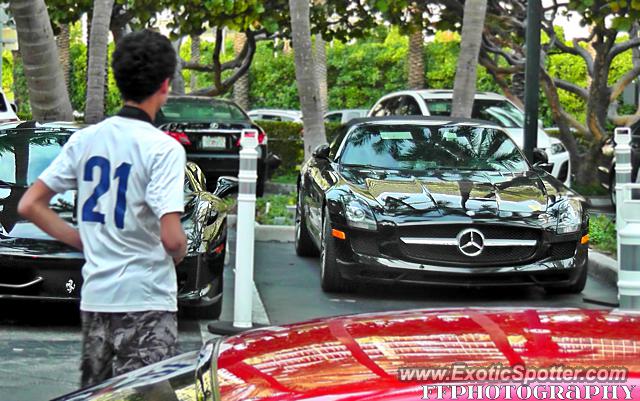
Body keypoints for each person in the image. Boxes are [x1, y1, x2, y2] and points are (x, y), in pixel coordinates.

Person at [18, 29, 187, 387]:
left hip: (96, 299)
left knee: (97, 394)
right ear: (165, 85)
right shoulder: (164, 148)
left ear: (118, 80)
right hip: (147, 298)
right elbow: (172, 239)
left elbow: (31, 204)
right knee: (145, 395)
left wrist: (81, 239)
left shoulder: (87, 139)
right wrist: (179, 251)